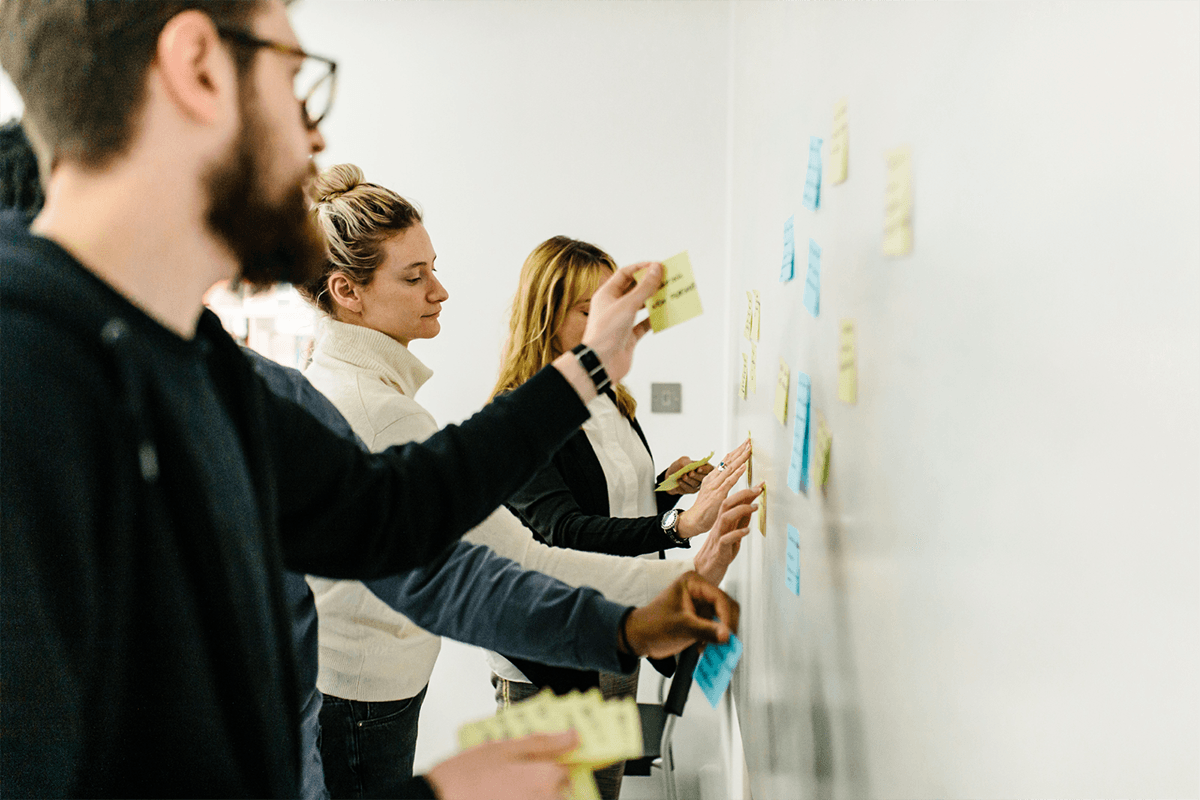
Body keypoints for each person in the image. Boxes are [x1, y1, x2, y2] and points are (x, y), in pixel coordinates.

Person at [0, 3, 740, 798]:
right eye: (297, 84)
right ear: (199, 68)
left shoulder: (203, 361)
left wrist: (616, 620)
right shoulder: (27, 379)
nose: (315, 139)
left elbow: (393, 517)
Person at [294, 163, 760, 799]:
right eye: (415, 275)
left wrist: (671, 510)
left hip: (527, 636)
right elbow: (529, 548)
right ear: (347, 291)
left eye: (434, 266)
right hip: (516, 657)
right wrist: (677, 553)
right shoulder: (380, 411)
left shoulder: (609, 402)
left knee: (595, 787)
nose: (440, 290)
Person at [490, 235, 763, 797]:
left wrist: (663, 490)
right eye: (587, 312)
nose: (606, 323)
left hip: (619, 628)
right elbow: (563, 531)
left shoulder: (610, 398)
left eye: (611, 308)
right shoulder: (517, 414)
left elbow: (606, 502)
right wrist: (678, 526)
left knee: (603, 791)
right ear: (545, 317)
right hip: (551, 661)